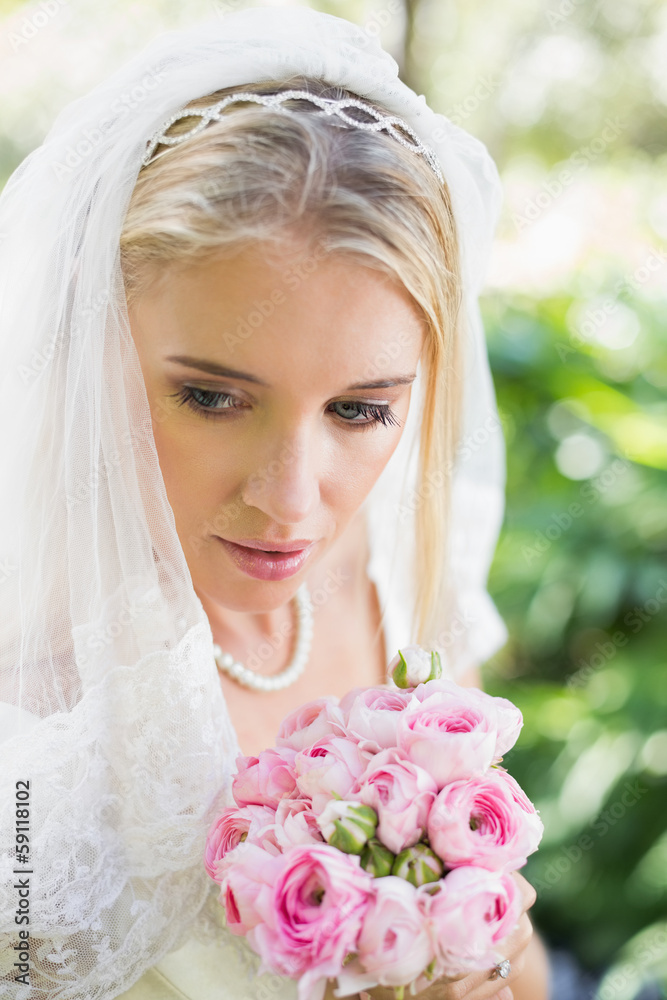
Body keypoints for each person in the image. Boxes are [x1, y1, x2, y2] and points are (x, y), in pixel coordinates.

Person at [0, 7, 551, 999]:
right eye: (211, 397)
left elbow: (520, 951)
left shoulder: (403, 591)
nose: (290, 501)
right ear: (95, 336)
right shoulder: (31, 700)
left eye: (359, 410)